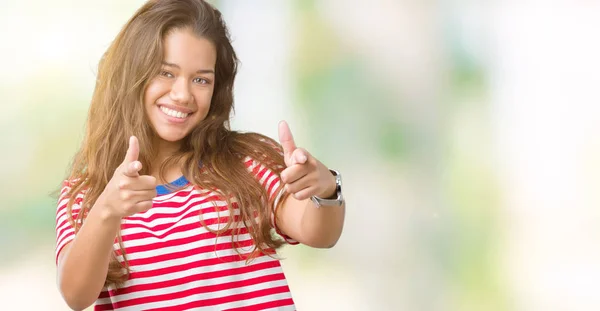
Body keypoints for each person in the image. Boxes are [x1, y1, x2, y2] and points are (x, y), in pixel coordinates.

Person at [54, 0, 345, 310]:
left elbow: (318, 233)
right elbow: (75, 295)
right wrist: (106, 211)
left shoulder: (247, 162)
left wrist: (325, 189)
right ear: (131, 75)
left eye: (201, 79)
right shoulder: (87, 194)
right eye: (165, 73)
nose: (183, 94)